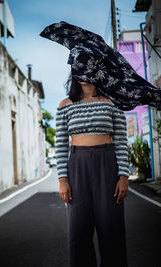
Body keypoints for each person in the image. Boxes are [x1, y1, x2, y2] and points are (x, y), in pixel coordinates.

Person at [56, 74, 129, 267]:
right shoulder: (65, 105)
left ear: (97, 70)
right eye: (78, 68)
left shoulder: (112, 102)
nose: (83, 73)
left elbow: (121, 141)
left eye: (88, 66)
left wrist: (123, 176)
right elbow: (60, 144)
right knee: (79, 230)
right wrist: (62, 180)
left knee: (111, 228)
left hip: (107, 164)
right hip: (77, 166)